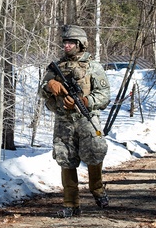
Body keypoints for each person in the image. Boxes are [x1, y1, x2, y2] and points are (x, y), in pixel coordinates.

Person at [40, 25, 111, 217]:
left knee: (95, 153)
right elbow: (41, 92)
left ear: (81, 44)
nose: (67, 46)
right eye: (65, 42)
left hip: (87, 120)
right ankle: (70, 203)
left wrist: (86, 101)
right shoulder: (56, 67)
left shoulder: (93, 67)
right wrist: (49, 85)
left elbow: (104, 95)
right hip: (64, 121)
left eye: (71, 42)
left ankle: (97, 190)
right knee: (66, 159)